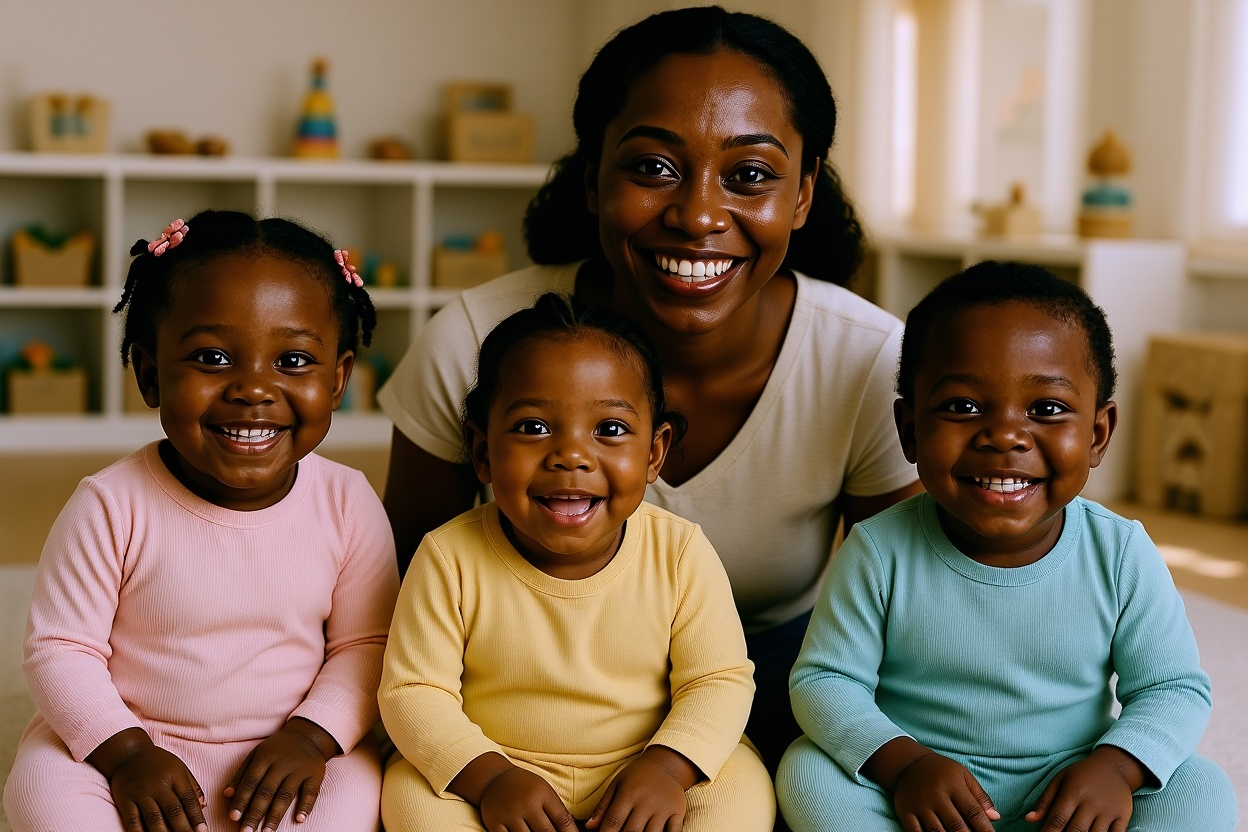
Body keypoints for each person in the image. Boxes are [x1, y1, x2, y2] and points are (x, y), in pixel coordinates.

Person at [376, 5, 921, 776]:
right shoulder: (474, 340)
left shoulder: (867, 362)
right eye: (653, 168)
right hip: (511, 702)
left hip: (765, 687)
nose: (698, 214)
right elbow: (397, 591)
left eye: (751, 176)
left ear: (802, 195)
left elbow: (909, 613)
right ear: (593, 178)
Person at [776, 262, 1239, 832]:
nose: (1004, 435)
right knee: (805, 773)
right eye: (963, 407)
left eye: (1045, 409)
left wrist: (1117, 770)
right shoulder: (878, 549)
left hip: (1071, 793)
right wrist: (905, 766)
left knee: (1201, 790)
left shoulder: (1119, 552)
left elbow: (1172, 687)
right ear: (910, 429)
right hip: (927, 796)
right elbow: (825, 682)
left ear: (1097, 434)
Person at [3, 211, 401, 832]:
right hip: (125, 747)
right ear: (150, 373)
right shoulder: (111, 502)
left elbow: (365, 646)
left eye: (293, 361)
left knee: (362, 793)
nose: (254, 390)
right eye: (213, 357)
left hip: (282, 755)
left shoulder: (347, 502)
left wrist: (310, 739)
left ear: (340, 378)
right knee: (41, 790)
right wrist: (126, 753)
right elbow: (60, 648)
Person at [378, 293, 776, 831]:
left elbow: (720, 681)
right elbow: (413, 693)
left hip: (648, 759)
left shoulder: (679, 551)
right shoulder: (449, 556)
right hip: (497, 763)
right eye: (534, 427)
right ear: (482, 452)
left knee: (743, 792)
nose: (571, 455)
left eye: (610, 430)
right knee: (409, 797)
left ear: (655, 452)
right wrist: (490, 777)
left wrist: (666, 767)